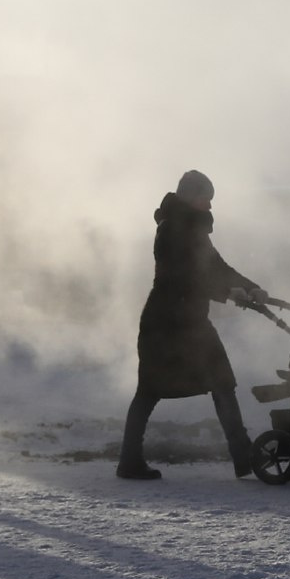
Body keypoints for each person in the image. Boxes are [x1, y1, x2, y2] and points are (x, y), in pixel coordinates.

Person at [119, 168, 264, 482]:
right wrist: (228, 292)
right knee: (149, 391)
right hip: (166, 323)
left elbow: (217, 268)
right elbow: (185, 278)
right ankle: (129, 461)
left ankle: (243, 456)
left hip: (191, 323)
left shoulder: (194, 230)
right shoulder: (172, 230)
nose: (210, 206)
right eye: (205, 199)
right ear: (189, 197)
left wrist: (251, 288)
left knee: (222, 382)